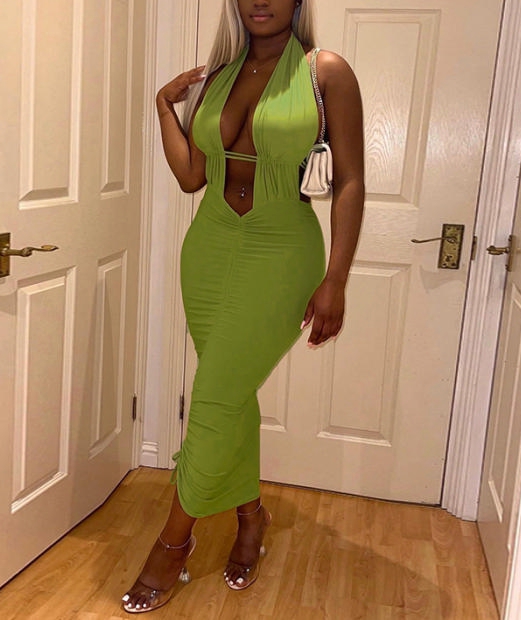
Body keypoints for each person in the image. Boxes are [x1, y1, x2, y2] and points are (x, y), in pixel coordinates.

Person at [122, 0, 364, 613]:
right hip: (208, 247)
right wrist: (164, 107)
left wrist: (336, 278)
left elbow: (350, 181)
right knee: (228, 396)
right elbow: (191, 177)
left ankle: (172, 544)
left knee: (213, 399)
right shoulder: (218, 76)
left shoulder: (324, 72)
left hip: (281, 253)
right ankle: (251, 515)